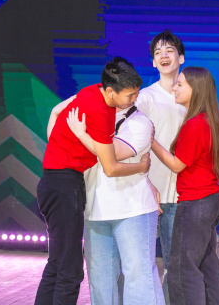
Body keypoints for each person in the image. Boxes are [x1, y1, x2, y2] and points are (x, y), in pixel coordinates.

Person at [36, 56, 151, 304]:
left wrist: (68, 129)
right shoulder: (101, 112)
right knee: (70, 271)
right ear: (110, 91)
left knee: (57, 263)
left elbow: (59, 118)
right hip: (65, 186)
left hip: (54, 182)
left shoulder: (91, 92)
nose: (134, 99)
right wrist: (141, 167)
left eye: (136, 93)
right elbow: (110, 167)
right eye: (130, 95)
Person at [65, 102, 164, 305]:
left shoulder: (139, 122)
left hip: (134, 209)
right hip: (95, 210)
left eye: (133, 92)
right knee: (100, 280)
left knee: (138, 275)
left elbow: (112, 156)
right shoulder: (89, 116)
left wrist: (82, 134)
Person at [150, 66, 219, 305]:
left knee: (181, 269)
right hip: (210, 201)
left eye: (180, 84)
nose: (174, 88)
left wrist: (151, 141)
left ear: (196, 90)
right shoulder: (209, 121)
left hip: (196, 203)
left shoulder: (195, 124)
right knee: (208, 266)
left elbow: (177, 165)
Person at [135, 30, 187, 303]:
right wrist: (144, 181)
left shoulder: (191, 95)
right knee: (138, 263)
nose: (164, 56)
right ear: (153, 62)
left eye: (169, 51)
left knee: (175, 264)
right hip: (146, 193)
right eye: (158, 53)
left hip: (180, 194)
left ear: (181, 57)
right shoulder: (145, 98)